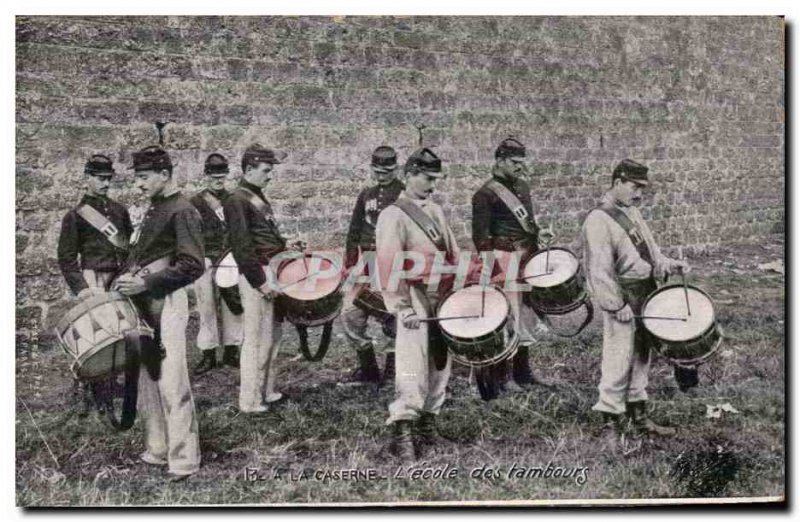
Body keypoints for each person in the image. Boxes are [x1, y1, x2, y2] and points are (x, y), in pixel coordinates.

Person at [581, 159, 689, 442]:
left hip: (645, 291)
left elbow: (649, 253)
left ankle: (639, 415)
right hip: (623, 295)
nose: (639, 193)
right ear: (617, 182)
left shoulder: (632, 212)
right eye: (635, 186)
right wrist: (616, 304)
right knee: (619, 355)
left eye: (643, 188)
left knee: (642, 354)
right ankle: (610, 419)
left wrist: (667, 263)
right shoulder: (598, 219)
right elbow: (599, 270)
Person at [114, 146, 205, 481]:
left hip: (167, 301)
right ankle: (157, 447)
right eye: (137, 177)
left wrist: (147, 283)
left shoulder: (182, 210)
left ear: (165, 175)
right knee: (147, 376)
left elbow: (193, 265)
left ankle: (183, 458)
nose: (138, 184)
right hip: (145, 300)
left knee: (170, 378)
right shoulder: (155, 208)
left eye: (144, 176)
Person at [376, 147, 459, 463]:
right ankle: (403, 433)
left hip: (440, 296)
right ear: (408, 175)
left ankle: (428, 425)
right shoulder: (393, 215)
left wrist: (456, 287)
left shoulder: (435, 211)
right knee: (412, 364)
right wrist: (402, 307)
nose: (432, 185)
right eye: (426, 178)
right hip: (413, 296)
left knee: (440, 364)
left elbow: (452, 254)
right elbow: (387, 264)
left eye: (435, 178)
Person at [471, 137, 553, 398]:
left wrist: (541, 234)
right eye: (515, 162)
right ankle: (504, 377)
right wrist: (491, 269)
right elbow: (480, 237)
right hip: (504, 259)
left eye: (521, 162)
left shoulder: (523, 186)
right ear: (500, 161)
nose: (520, 167)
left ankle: (524, 372)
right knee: (509, 317)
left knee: (527, 314)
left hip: (527, 257)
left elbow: (528, 223)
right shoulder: (484, 194)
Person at [57, 154, 132, 413]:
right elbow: (66, 258)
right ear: (87, 178)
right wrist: (82, 288)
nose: (104, 183)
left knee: (120, 331)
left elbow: (128, 248)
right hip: (93, 278)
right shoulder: (75, 216)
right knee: (98, 334)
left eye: (108, 179)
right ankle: (98, 392)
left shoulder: (120, 211)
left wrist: (128, 274)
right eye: (99, 179)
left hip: (117, 276)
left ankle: (115, 383)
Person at [222, 144, 293, 414]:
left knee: (272, 336)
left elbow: (265, 236)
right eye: (266, 170)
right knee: (255, 338)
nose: (270, 175)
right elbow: (242, 248)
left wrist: (286, 245)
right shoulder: (236, 200)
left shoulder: (255, 196)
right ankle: (250, 400)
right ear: (249, 169)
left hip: (271, 269)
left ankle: (268, 390)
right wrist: (260, 281)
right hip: (258, 275)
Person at [341, 146, 405, 384]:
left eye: (386, 171)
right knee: (349, 312)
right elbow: (354, 231)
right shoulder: (366, 194)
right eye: (377, 171)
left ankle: (392, 367)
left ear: (395, 169)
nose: (381, 176)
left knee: (394, 313)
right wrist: (349, 264)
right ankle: (368, 368)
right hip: (365, 262)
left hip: (392, 262)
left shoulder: (404, 194)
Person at [190, 153, 243, 375]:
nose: (218, 180)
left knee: (233, 304)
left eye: (222, 175)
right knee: (206, 306)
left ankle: (232, 351)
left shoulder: (233, 199)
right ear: (206, 175)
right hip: (206, 260)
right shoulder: (195, 202)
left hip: (229, 258)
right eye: (214, 176)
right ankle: (208, 353)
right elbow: (192, 234)